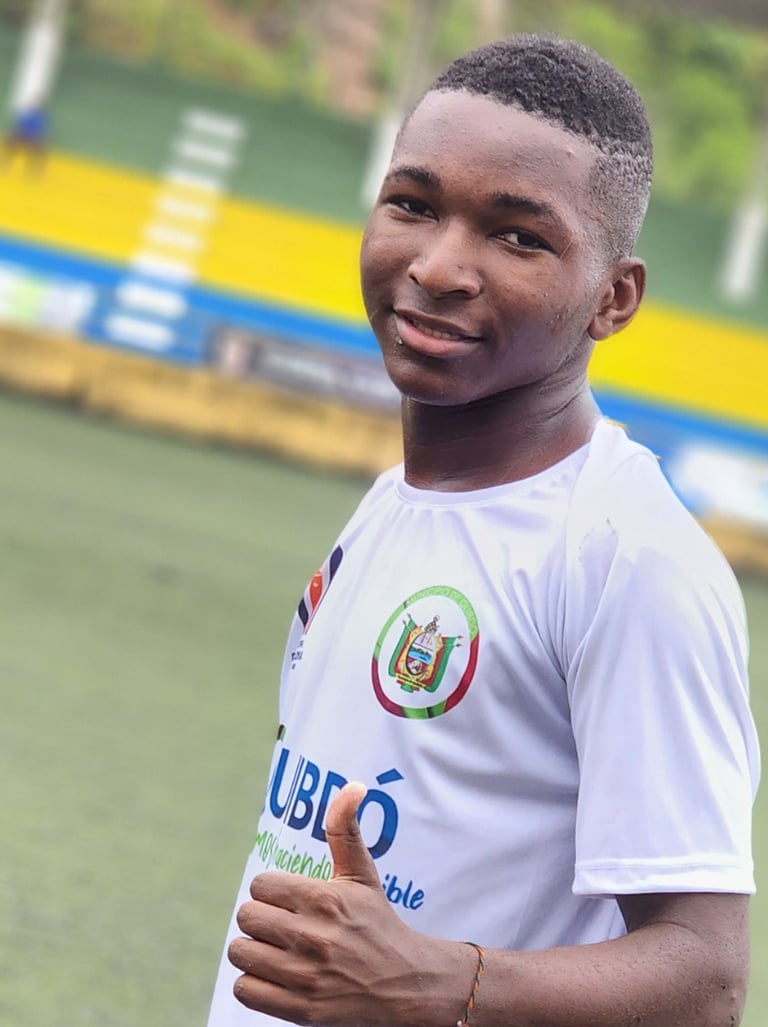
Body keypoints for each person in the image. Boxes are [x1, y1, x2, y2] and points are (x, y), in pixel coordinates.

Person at [207, 33, 760, 1027]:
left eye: (518, 237)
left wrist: (441, 982)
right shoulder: (393, 501)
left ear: (613, 298)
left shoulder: (626, 559)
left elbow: (707, 981)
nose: (438, 266)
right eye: (413, 205)